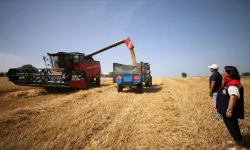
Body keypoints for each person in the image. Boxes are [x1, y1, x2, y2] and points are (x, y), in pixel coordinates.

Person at [216, 66, 246, 150]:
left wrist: (229, 110)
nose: (222, 73)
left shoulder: (233, 84)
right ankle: (237, 141)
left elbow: (233, 97)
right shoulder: (229, 82)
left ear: (229, 74)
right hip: (227, 110)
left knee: (233, 127)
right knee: (232, 126)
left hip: (230, 111)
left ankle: (239, 147)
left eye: (224, 71)